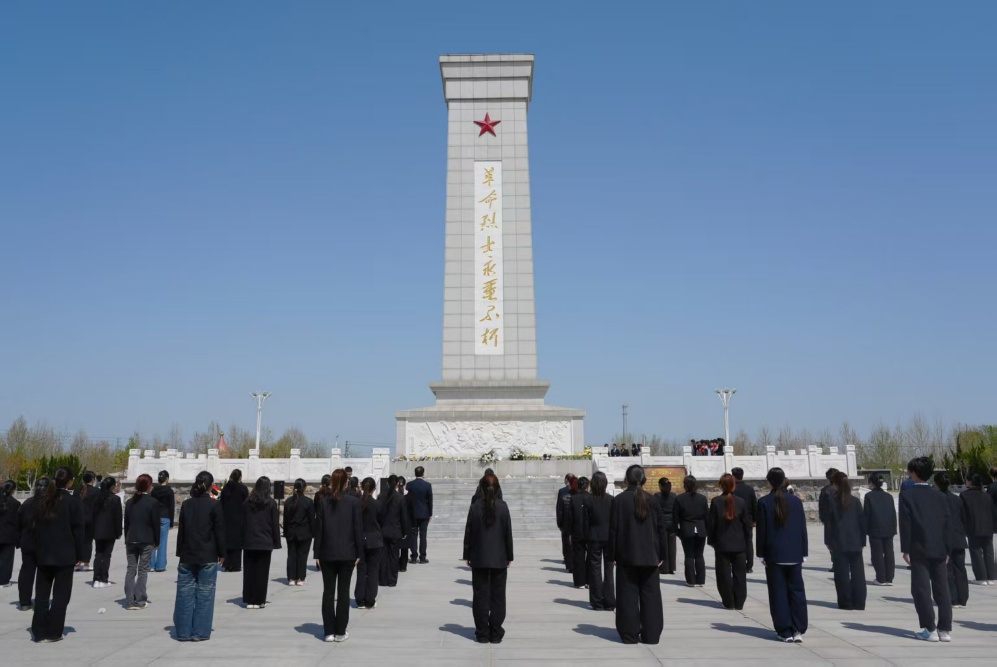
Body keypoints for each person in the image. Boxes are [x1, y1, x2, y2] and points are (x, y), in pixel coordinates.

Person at [608, 465, 666, 644]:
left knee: (627, 596)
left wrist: (612, 555)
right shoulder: (652, 500)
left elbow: (613, 530)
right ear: (643, 479)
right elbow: (661, 529)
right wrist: (662, 555)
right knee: (651, 596)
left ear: (627, 479)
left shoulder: (619, 501)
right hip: (650, 556)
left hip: (627, 556)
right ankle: (651, 635)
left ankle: (629, 634)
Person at [900, 456, 953, 642]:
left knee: (921, 589)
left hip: (919, 548)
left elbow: (906, 524)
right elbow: (947, 524)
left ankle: (929, 628)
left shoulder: (907, 496)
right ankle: (944, 629)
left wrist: (905, 549)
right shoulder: (940, 496)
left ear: (914, 473)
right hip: (939, 547)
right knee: (942, 589)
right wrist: (948, 549)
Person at [31, 467, 84, 642]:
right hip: (65, 555)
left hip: (44, 554)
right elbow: (79, 530)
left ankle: (38, 631)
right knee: (61, 595)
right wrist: (81, 555)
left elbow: (35, 528)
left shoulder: (42, 500)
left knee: (41, 595)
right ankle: (54, 631)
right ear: (70, 482)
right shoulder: (73, 502)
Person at [756, 467, 808, 643]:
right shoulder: (796, 501)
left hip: (774, 554)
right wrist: (804, 551)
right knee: (797, 592)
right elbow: (802, 529)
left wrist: (761, 553)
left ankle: (785, 631)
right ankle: (798, 629)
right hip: (794, 553)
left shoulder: (764, 502)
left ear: (769, 482)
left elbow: (762, 531)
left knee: (778, 593)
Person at [173, 471, 225, 642]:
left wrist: (180, 551)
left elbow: (182, 531)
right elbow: (219, 531)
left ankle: (183, 631)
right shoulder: (214, 505)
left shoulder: (187, 505)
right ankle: (200, 631)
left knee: (184, 592)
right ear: (211, 486)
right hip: (207, 554)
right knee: (205, 593)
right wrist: (222, 553)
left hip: (187, 554)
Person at [314, 469, 363, 642]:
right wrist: (359, 552)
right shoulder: (353, 502)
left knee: (328, 592)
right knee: (343, 593)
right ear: (346, 483)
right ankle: (340, 631)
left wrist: (317, 553)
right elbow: (357, 528)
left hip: (327, 553)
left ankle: (328, 631)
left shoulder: (323, 502)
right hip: (347, 553)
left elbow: (319, 530)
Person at [464, 473, 513, 643]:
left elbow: (469, 533)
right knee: (498, 597)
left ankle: (482, 633)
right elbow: (508, 533)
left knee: (480, 596)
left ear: (481, 489)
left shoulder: (475, 507)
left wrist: (467, 555)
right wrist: (509, 555)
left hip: (479, 557)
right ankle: (496, 632)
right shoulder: (503, 507)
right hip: (499, 558)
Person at [707, 473, 752, 610]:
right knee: (740, 575)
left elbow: (711, 524)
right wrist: (747, 543)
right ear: (734, 486)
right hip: (739, 544)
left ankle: (728, 602)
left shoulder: (716, 502)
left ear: (721, 486)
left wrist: (712, 541)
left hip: (722, 544)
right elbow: (747, 526)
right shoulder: (741, 502)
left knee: (723, 575)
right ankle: (739, 602)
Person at [828, 471, 867, 610]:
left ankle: (846, 602)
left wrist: (829, 542)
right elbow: (862, 523)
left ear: (835, 484)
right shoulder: (855, 501)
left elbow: (829, 524)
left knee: (842, 574)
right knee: (858, 573)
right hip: (855, 541)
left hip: (839, 542)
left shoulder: (833, 502)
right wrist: (863, 541)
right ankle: (859, 602)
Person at [241, 476, 281, 609]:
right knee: (262, 573)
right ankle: (259, 600)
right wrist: (276, 542)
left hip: (250, 541)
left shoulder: (247, 502)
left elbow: (243, 522)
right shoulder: (271, 503)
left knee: (249, 572)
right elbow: (274, 524)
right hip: (264, 542)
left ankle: (249, 599)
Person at [123, 473, 160, 611]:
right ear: (148, 486)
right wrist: (157, 541)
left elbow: (126, 523)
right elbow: (156, 524)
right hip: (146, 540)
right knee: (143, 570)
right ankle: (140, 600)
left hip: (131, 539)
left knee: (131, 569)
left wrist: (127, 538)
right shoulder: (152, 502)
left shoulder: (130, 502)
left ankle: (129, 600)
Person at [934, 472, 969, 608]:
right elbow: (963, 517)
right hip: (958, 537)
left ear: (936, 483)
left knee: (947, 569)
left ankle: (952, 598)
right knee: (960, 568)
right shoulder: (957, 499)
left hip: (944, 538)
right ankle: (962, 598)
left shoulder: (936, 499)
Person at [17, 477, 49, 610]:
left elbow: (19, 523)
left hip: (27, 542)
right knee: (44, 574)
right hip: (44, 543)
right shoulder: (50, 504)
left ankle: (24, 602)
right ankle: (41, 601)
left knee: (27, 572)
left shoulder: (27, 503)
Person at [585, 471, 615, 611]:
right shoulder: (611, 500)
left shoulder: (588, 500)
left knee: (595, 570)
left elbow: (585, 522)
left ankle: (597, 601)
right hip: (609, 538)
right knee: (609, 570)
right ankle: (609, 601)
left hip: (594, 537)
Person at [961, 474, 997, 585]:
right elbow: (992, 511)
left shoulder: (964, 495)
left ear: (970, 482)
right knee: (989, 552)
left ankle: (981, 577)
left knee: (976, 552)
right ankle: (992, 576)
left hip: (973, 527)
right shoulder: (986, 496)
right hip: (988, 527)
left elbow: (963, 513)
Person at [863, 472, 897, 586]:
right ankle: (889, 578)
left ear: (871, 482)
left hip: (875, 529)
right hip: (888, 528)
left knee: (877, 554)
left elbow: (866, 514)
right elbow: (893, 514)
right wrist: (894, 528)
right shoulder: (889, 496)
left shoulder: (869, 496)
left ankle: (881, 578)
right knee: (889, 553)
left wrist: (865, 529)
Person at [355, 477, 383, 609]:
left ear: (361, 487)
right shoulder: (377, 504)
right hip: (374, 540)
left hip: (360, 539)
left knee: (361, 570)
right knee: (373, 571)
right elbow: (381, 522)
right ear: (374, 489)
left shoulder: (356, 503)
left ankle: (360, 599)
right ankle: (370, 599)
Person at [675, 475, 708, 587]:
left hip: (687, 528)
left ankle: (691, 580)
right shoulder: (702, 498)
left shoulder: (680, 498)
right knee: (699, 555)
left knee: (689, 555)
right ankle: (700, 579)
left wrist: (677, 531)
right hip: (701, 528)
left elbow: (675, 517)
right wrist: (707, 529)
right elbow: (706, 516)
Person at [91, 477, 122, 588]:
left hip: (98, 530)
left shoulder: (96, 498)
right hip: (110, 530)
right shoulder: (115, 499)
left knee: (98, 554)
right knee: (107, 555)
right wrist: (119, 532)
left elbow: (93, 515)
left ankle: (96, 579)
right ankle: (103, 579)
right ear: (112, 486)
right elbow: (118, 518)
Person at [283, 478, 314, 586]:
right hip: (304, 532)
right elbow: (311, 519)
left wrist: (285, 532)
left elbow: (285, 519)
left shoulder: (288, 502)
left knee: (291, 554)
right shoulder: (308, 502)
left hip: (291, 532)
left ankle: (291, 578)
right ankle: (301, 578)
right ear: (304, 488)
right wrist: (314, 532)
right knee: (302, 556)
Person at [219, 469, 248, 573]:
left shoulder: (225, 488)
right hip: (239, 519)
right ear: (240, 477)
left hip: (226, 518)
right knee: (237, 543)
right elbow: (246, 503)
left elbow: (221, 503)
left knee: (227, 542)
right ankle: (235, 565)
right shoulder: (243, 488)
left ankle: (227, 564)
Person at [730, 468, 758, 573]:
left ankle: (737, 563)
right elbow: (754, 505)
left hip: (735, 519)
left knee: (735, 541)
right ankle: (749, 565)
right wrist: (755, 519)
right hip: (748, 520)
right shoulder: (749, 489)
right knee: (748, 542)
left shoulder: (732, 489)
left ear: (734, 476)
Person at [406, 467, 433, 564]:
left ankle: (413, 557)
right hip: (424, 513)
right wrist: (430, 513)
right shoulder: (427, 485)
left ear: (415, 473)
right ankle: (422, 557)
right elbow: (430, 500)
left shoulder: (409, 485)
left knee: (413, 535)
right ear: (423, 473)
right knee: (423, 535)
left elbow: (407, 499)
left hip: (412, 514)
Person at [73, 471, 98, 572]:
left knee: (78, 541)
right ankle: (86, 562)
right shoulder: (96, 491)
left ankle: (76, 562)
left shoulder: (76, 491)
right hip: (90, 519)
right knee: (88, 542)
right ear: (93, 480)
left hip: (77, 518)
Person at [150, 471, 175, 573]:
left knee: (152, 541)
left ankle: (151, 565)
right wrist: (171, 522)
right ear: (167, 479)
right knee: (162, 542)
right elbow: (171, 507)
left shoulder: (154, 490)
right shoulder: (169, 491)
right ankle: (160, 565)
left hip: (154, 516)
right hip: (165, 516)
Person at [568, 476, 590, 588]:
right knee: (590, 557)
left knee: (578, 557)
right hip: (589, 532)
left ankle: (579, 581)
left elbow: (570, 518)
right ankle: (589, 581)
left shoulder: (573, 498)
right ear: (587, 486)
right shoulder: (591, 498)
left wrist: (570, 533)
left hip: (577, 531)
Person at [655, 478, 677, 575]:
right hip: (671, 522)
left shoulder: (657, 496)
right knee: (672, 546)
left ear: (660, 486)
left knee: (663, 545)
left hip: (662, 522)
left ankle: (664, 567)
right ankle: (672, 567)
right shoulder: (674, 496)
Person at [0, 480, 20, 587]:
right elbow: (17, 521)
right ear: (13, 490)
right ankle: (4, 580)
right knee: (7, 559)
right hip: (9, 534)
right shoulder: (16, 504)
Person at [818, 468, 839, 571]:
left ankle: (836, 563)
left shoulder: (825, 490)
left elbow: (821, 506)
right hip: (841, 520)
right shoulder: (842, 489)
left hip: (830, 520)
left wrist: (823, 518)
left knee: (831, 542)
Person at [556, 474, 576, 573]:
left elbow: (559, 509)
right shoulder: (577, 492)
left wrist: (559, 523)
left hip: (565, 522)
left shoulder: (562, 491)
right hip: (574, 522)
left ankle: (569, 564)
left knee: (566, 544)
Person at [395, 475, 409, 573]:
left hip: (395, 522)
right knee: (404, 546)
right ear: (404, 484)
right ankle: (403, 566)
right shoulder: (408, 494)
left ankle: (395, 564)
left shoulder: (394, 495)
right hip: (406, 522)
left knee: (395, 546)